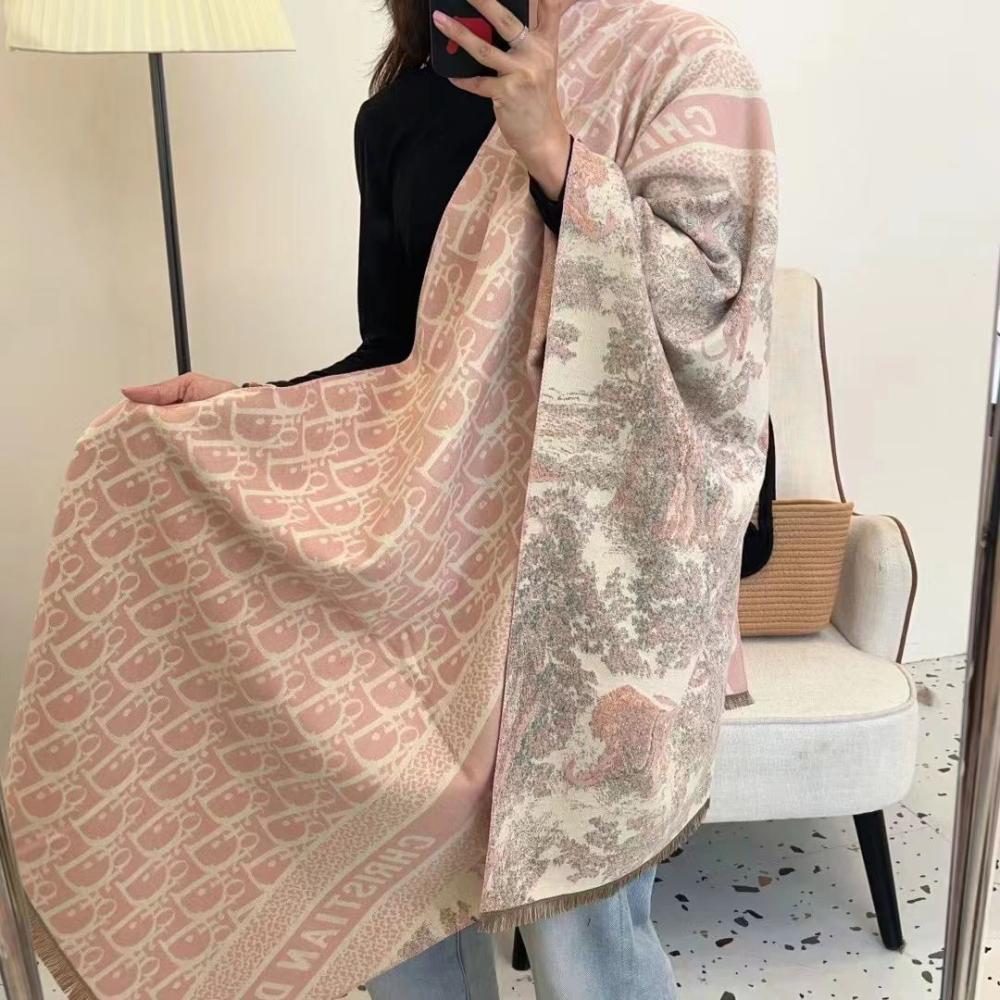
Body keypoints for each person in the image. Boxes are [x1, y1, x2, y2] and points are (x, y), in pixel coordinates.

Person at [122, 2, 680, 997]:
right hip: (440, 565)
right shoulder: (394, 119)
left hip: (590, 571)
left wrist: (555, 152)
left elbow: (687, 316)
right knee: (398, 877)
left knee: (582, 922)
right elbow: (397, 359)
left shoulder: (625, 76)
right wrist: (250, 406)